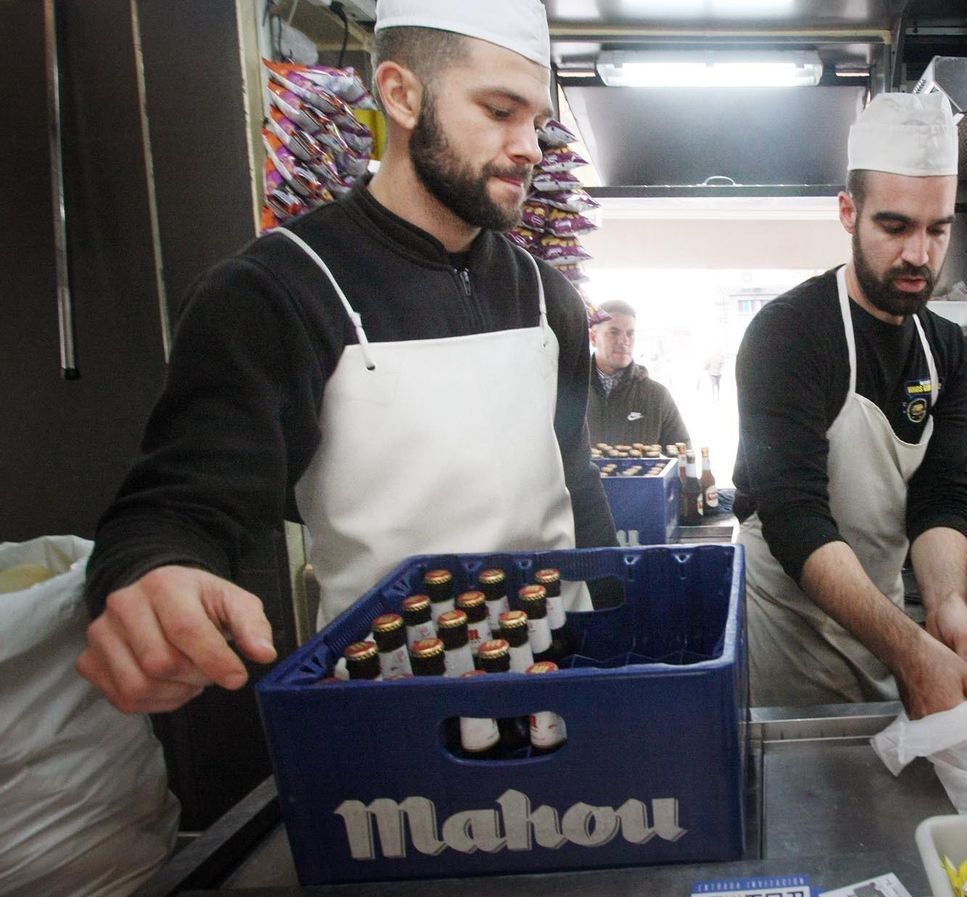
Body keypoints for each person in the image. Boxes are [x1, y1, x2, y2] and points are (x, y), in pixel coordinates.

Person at [77, 0, 615, 715]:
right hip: (387, 706)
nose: (529, 148)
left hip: (558, 678)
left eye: (536, 121)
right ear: (401, 95)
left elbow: (577, 492)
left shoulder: (548, 299)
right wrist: (153, 571)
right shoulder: (280, 290)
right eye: (498, 111)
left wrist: (620, 636)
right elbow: (180, 505)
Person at [732, 93, 967, 718]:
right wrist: (906, 646)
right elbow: (793, 516)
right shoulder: (788, 334)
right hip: (790, 648)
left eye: (938, 229)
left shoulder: (944, 348)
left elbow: (940, 495)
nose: (920, 255)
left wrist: (947, 602)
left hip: (888, 629)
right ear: (849, 212)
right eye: (895, 227)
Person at [586, 300, 691, 448]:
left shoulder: (657, 396)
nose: (624, 341)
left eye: (630, 334)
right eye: (613, 332)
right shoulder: (570, 393)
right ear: (593, 338)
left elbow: (683, 455)